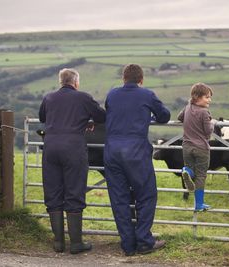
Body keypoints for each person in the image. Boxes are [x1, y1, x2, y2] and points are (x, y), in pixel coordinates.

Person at [103, 64, 171, 256]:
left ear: (123, 79)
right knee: (146, 195)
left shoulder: (112, 94)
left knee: (119, 199)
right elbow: (164, 116)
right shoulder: (146, 94)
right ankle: (144, 241)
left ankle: (127, 245)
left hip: (112, 152)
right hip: (136, 153)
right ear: (141, 80)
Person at [39, 68, 106, 254]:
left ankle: (58, 243)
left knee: (53, 192)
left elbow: (42, 117)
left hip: (51, 147)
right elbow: (102, 117)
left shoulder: (49, 98)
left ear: (61, 82)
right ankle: (76, 243)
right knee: (74, 191)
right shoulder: (83, 97)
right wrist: (87, 121)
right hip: (73, 149)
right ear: (76, 83)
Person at [177, 82, 214, 212]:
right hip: (201, 148)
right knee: (201, 176)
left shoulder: (188, 107)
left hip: (187, 146)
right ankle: (199, 204)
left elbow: (179, 117)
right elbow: (208, 131)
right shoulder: (204, 112)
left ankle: (187, 171)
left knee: (191, 168)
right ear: (197, 97)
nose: (209, 100)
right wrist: (212, 122)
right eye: (207, 97)